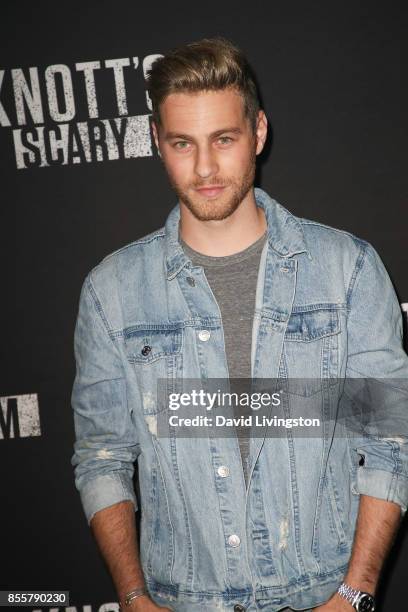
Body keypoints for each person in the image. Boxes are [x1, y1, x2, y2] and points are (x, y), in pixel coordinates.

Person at [71, 37, 408, 612]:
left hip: (322, 595)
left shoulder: (346, 271)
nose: (204, 167)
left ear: (258, 132)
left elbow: (390, 442)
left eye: (223, 139)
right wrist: (133, 598)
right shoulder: (112, 292)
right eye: (183, 143)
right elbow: (102, 454)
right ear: (157, 142)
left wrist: (354, 595)